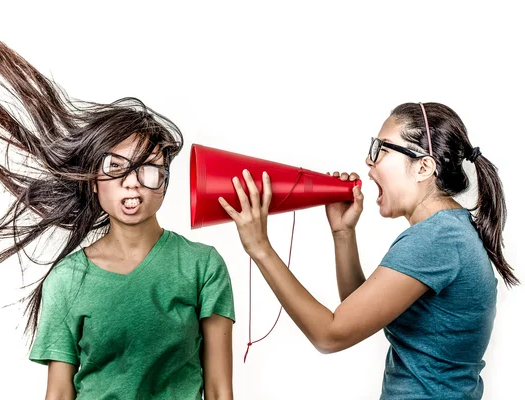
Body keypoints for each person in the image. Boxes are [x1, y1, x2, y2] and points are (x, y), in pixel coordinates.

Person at [0, 27, 235, 400]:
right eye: (116, 167)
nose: (132, 182)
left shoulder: (202, 266)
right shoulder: (67, 281)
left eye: (148, 169)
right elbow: (59, 394)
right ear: (94, 181)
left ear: (164, 182)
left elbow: (218, 389)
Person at [219, 102, 517, 399]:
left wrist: (260, 248)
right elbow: (360, 311)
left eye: (381, 150)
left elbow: (330, 335)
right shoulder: (450, 231)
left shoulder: (436, 239)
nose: (368, 160)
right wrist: (343, 233)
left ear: (423, 167)